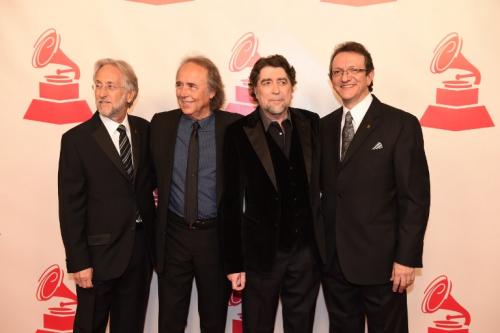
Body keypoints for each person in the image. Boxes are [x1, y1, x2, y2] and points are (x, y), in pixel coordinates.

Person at [320, 41, 431, 333]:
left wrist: (406, 258)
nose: (345, 77)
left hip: (384, 266)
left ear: (370, 76)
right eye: (337, 71)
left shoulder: (400, 124)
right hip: (335, 264)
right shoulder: (322, 128)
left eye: (354, 70)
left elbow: (414, 198)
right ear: (331, 79)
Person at [221, 54, 327, 333]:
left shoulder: (312, 124)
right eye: (267, 82)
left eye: (282, 81)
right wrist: (234, 263)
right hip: (260, 257)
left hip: (306, 254)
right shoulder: (237, 133)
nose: (276, 89)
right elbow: (229, 202)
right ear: (254, 90)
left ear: (292, 87)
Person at [58, 58, 155, 333]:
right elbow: (70, 207)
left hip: (138, 253)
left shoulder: (144, 130)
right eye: (98, 85)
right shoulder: (77, 140)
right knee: (89, 327)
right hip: (96, 259)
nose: (102, 93)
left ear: (130, 93)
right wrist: (79, 261)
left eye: (110, 86)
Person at [150, 56, 240, 333]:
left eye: (191, 85)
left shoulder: (234, 128)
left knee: (213, 321)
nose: (182, 92)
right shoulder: (161, 124)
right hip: (173, 236)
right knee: (170, 321)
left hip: (215, 239)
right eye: (179, 84)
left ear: (212, 92)